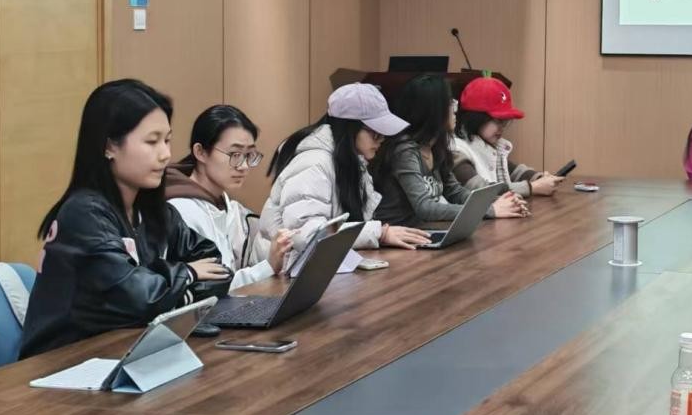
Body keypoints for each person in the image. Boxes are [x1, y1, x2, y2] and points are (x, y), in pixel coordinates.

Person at [21, 80, 232, 358]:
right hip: (65, 365)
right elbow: (140, 298)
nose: (166, 154)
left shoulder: (154, 210)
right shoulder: (84, 214)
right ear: (110, 146)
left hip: (128, 353)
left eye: (167, 140)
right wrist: (187, 274)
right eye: (152, 141)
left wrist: (173, 293)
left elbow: (216, 267)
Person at [260, 83, 432, 260]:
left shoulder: (352, 161)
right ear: (349, 128)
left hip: (319, 265)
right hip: (286, 270)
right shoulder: (314, 163)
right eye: (375, 132)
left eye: (383, 133)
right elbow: (308, 235)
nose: (381, 139)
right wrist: (378, 233)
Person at [165, 105, 293, 291]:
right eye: (235, 154)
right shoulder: (181, 210)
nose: (244, 166)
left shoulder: (229, 206)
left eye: (249, 155)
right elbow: (214, 286)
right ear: (200, 152)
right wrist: (268, 266)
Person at [372, 74, 529, 226]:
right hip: (395, 235)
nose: (455, 109)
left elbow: (456, 193)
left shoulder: (436, 147)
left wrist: (500, 202)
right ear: (433, 110)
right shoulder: (404, 150)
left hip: (423, 231)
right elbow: (425, 208)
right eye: (449, 103)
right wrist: (489, 210)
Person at [450, 76, 563, 198]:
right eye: (498, 121)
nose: (502, 128)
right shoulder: (456, 149)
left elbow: (514, 171)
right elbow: (479, 189)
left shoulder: (490, 144)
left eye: (505, 122)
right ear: (476, 118)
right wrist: (532, 187)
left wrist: (540, 178)